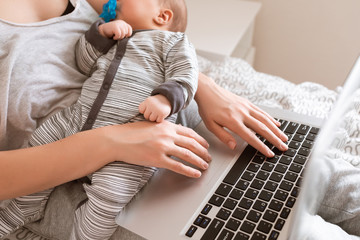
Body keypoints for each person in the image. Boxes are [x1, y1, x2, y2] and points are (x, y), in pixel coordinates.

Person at [0, 0, 288, 239]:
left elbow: (160, 44)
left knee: (283, 170)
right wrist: (101, 33)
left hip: (158, 119)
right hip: (67, 148)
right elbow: (87, 57)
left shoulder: (156, 31)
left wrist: (201, 86)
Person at [1, 0, 200, 239]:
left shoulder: (174, 42)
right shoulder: (115, 37)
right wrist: (101, 35)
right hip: (78, 117)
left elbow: (186, 74)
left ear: (162, 16)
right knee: (41, 138)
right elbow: (83, 64)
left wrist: (165, 99)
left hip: (135, 128)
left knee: (110, 195)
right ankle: (21, 209)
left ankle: (88, 234)